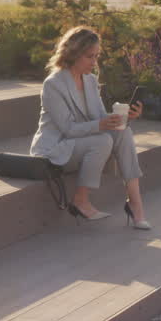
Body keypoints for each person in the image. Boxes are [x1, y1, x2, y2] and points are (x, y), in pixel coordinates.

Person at [29, 26, 150, 229]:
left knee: (124, 132)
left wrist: (125, 118)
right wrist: (101, 124)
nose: (94, 62)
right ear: (73, 54)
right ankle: (80, 200)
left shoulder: (90, 80)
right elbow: (68, 129)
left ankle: (135, 205)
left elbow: (100, 118)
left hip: (82, 145)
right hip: (55, 150)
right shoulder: (53, 84)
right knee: (102, 140)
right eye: (89, 57)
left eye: (96, 56)